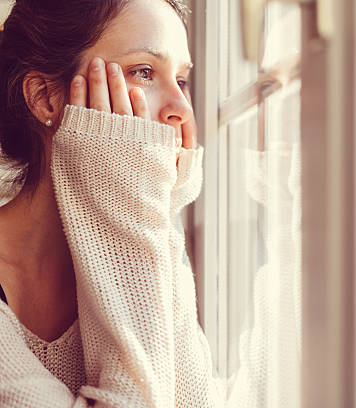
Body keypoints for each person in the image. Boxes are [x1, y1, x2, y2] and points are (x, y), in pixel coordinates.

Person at [0, 0, 223, 406]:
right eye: (143, 72)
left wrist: (153, 213)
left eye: (182, 79)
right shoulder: (130, 237)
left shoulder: (143, 241)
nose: (181, 109)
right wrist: (133, 214)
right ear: (45, 98)